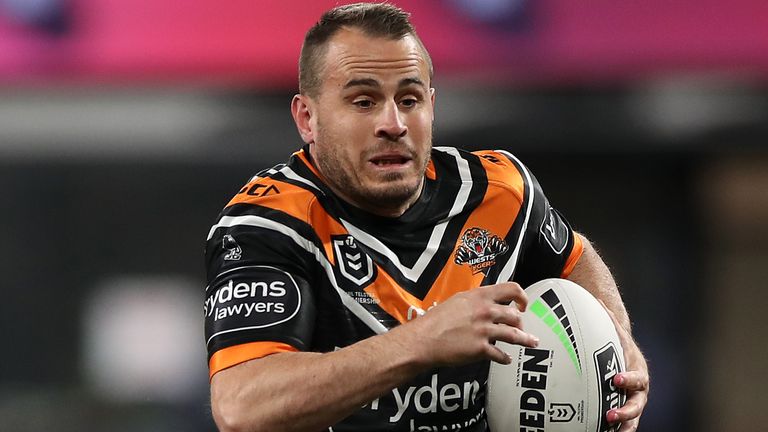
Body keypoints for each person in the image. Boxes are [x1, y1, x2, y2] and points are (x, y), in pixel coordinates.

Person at [203, 3, 649, 431]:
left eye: (410, 99)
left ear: (431, 106)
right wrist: (421, 340)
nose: (393, 122)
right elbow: (243, 406)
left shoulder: (499, 191)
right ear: (307, 118)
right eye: (363, 101)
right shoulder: (267, 224)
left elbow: (574, 256)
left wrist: (619, 342)